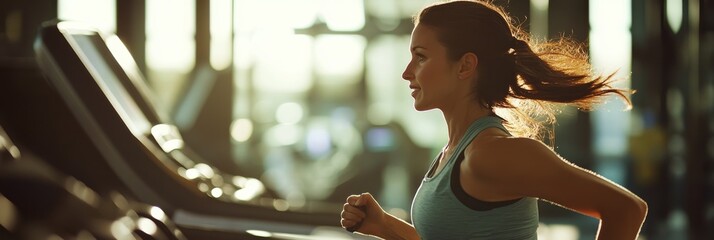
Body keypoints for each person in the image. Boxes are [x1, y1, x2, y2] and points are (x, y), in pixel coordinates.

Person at [339, 0, 648, 239]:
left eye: (421, 56)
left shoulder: (492, 154)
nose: (407, 72)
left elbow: (626, 209)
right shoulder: (456, 152)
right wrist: (383, 226)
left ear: (464, 66)